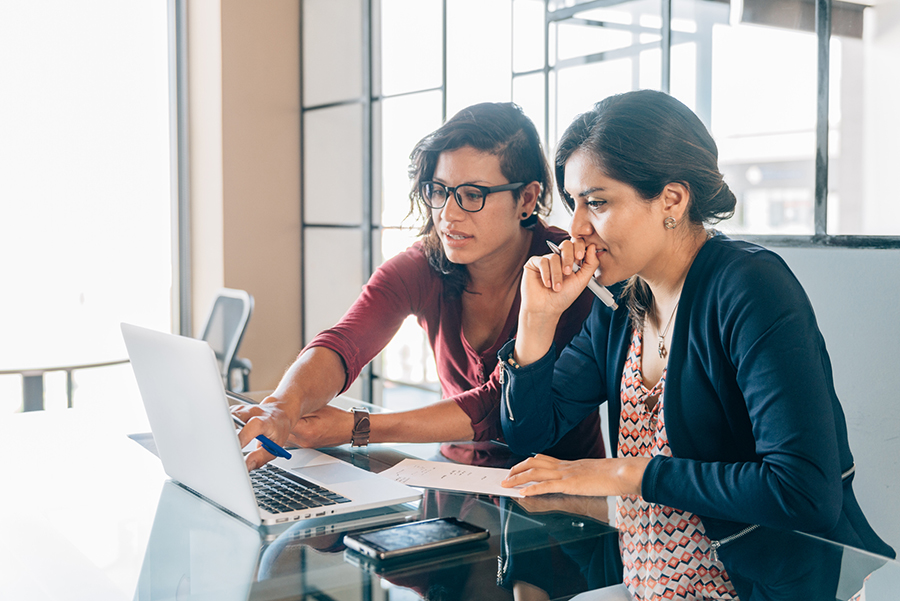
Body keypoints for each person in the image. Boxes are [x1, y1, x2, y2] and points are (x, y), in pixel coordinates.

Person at [497, 90, 895, 600]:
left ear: (672, 199)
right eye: (574, 202)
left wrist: (625, 473)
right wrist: (536, 321)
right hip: (645, 586)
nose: (576, 229)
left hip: (754, 590)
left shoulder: (750, 287)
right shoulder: (622, 300)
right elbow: (530, 431)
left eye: (597, 202)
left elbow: (803, 491)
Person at [234, 101, 604, 471]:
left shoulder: (567, 272)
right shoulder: (426, 263)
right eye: (439, 190)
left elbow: (496, 407)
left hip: (558, 494)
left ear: (526, 199)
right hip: (452, 475)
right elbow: (345, 342)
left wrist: (358, 427)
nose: (448, 214)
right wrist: (283, 406)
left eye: (472, 195)